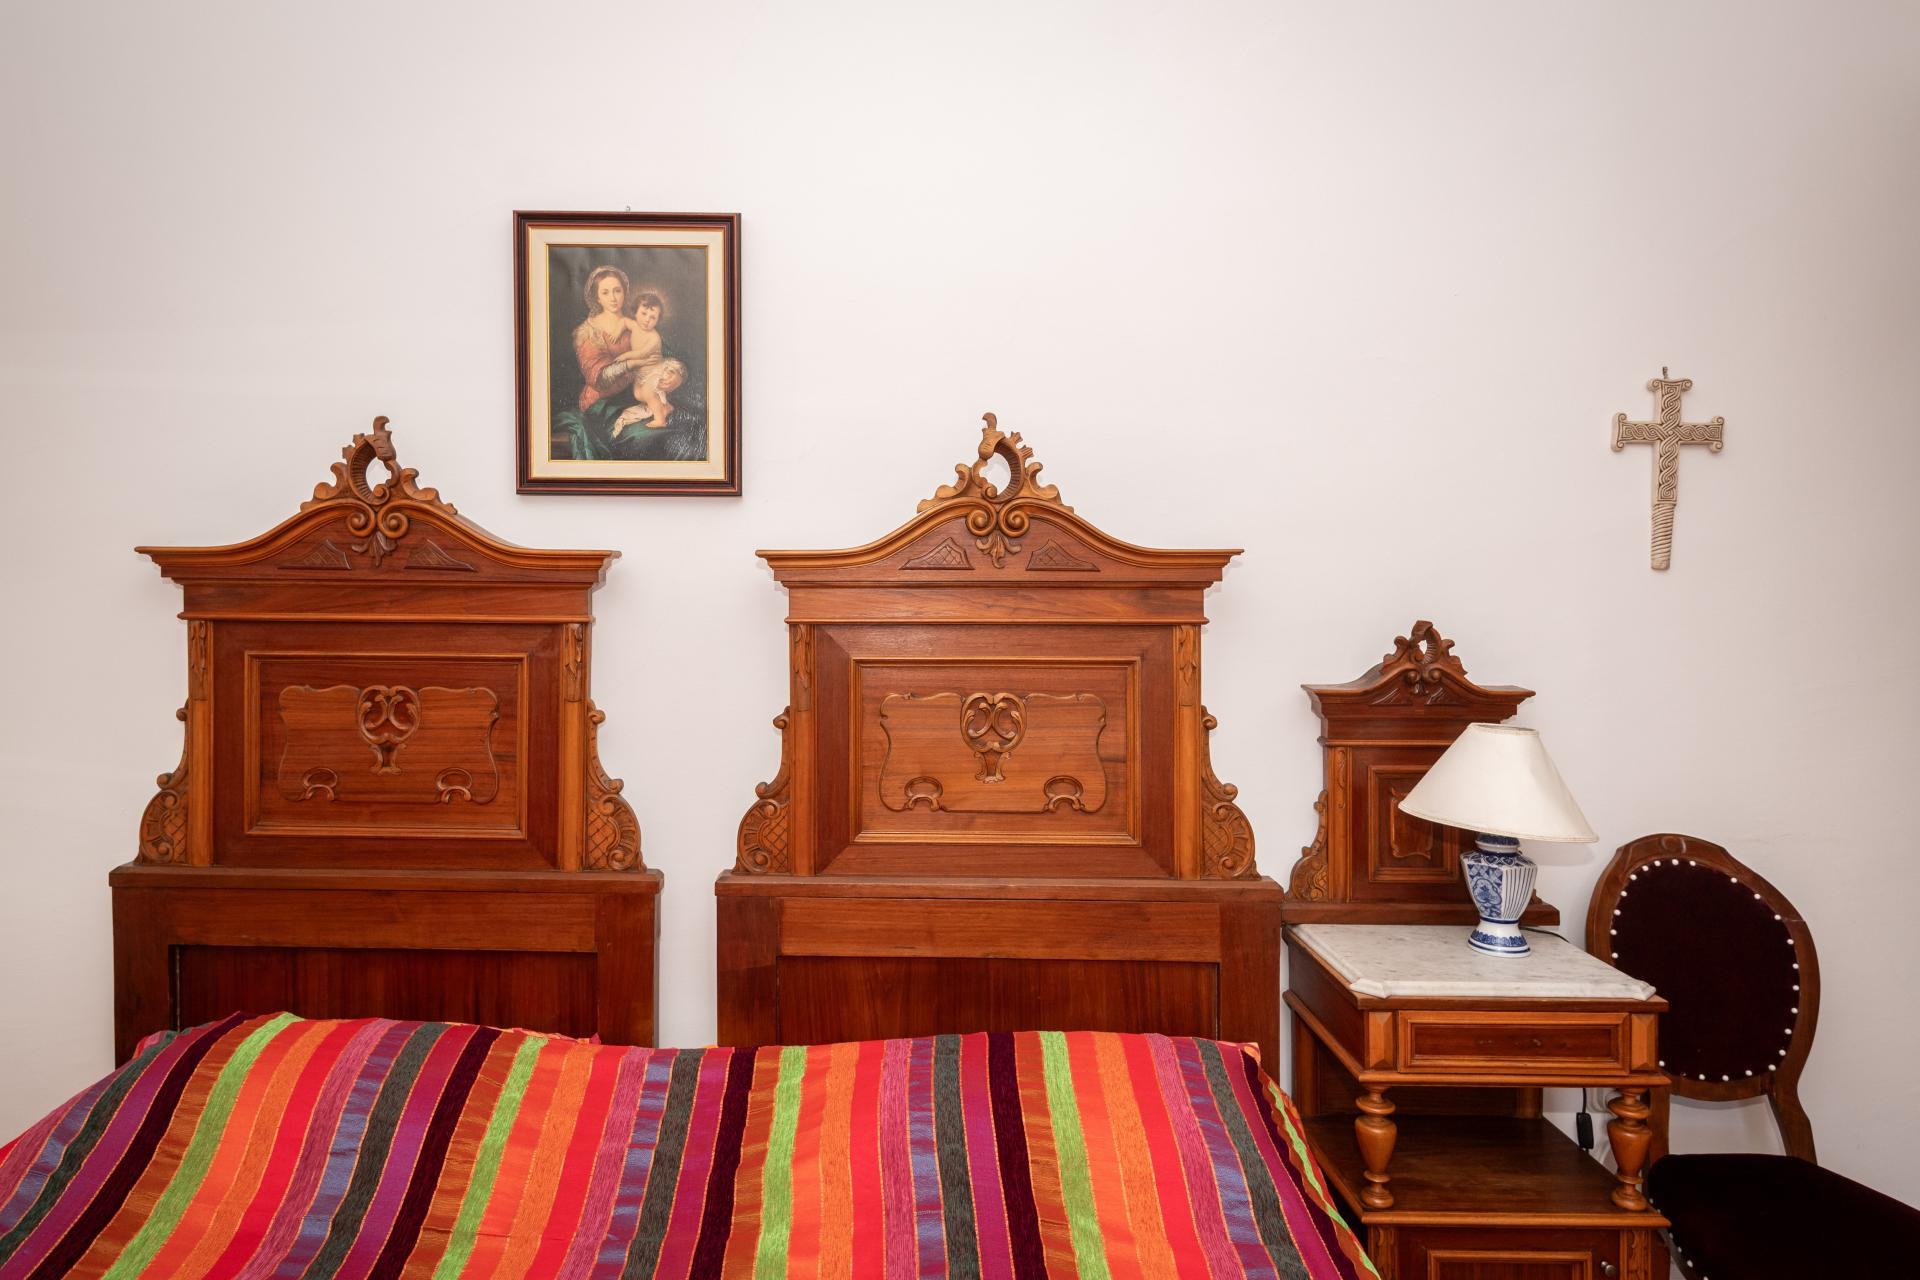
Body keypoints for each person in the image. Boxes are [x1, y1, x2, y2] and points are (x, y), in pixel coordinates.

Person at [612, 358, 689, 438]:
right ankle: (660, 420)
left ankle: (662, 412)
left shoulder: (659, 382)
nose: (671, 389)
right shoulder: (652, 380)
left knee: (659, 396)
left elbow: (661, 394)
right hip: (639, 391)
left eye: (675, 386)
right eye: (672, 384)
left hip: (645, 388)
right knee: (653, 396)